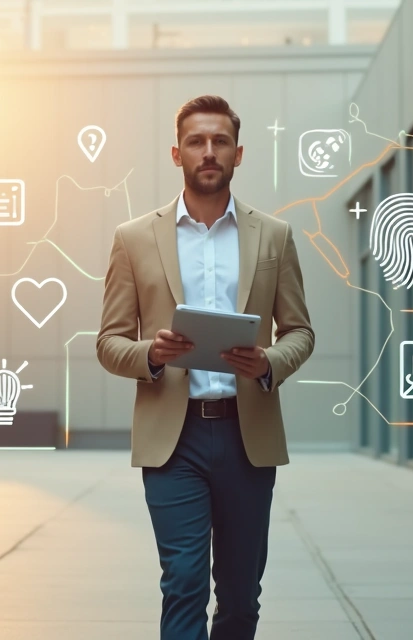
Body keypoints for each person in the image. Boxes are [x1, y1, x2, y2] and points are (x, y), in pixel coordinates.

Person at [96, 95, 314, 639]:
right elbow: (109, 342)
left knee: (240, 597)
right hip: (175, 441)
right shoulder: (133, 239)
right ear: (177, 154)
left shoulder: (275, 236)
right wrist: (151, 354)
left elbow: (300, 332)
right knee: (184, 583)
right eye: (196, 141)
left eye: (220, 141)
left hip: (247, 436)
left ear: (239, 153)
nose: (209, 151)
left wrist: (267, 362)